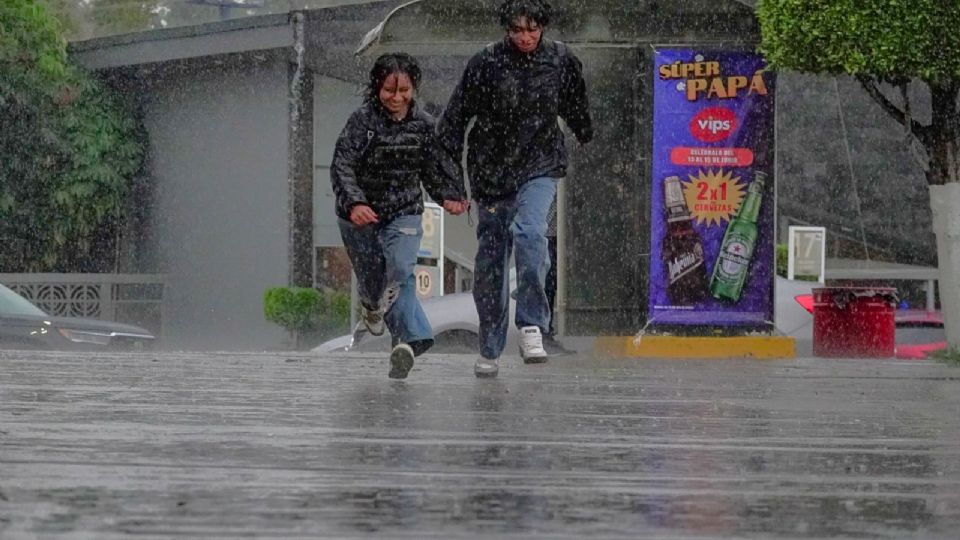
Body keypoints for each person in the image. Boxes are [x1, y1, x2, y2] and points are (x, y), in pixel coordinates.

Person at [438, 0, 593, 378]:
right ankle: (489, 346)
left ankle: (531, 325)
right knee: (491, 260)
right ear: (506, 29)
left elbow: (575, 104)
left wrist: (583, 130)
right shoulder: (485, 63)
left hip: (539, 163)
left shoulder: (561, 60)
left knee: (530, 233)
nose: (526, 38)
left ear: (543, 28)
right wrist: (451, 184)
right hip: (492, 171)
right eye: (518, 30)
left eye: (533, 30)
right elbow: (453, 122)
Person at [332, 52, 468, 379]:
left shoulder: (424, 125)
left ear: (414, 89)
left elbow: (433, 169)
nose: (397, 98)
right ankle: (371, 307)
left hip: (404, 211)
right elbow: (342, 167)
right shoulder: (361, 122)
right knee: (374, 282)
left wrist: (449, 195)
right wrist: (355, 204)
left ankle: (410, 342)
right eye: (389, 91)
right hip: (359, 217)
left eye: (404, 91)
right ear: (377, 88)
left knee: (402, 272)